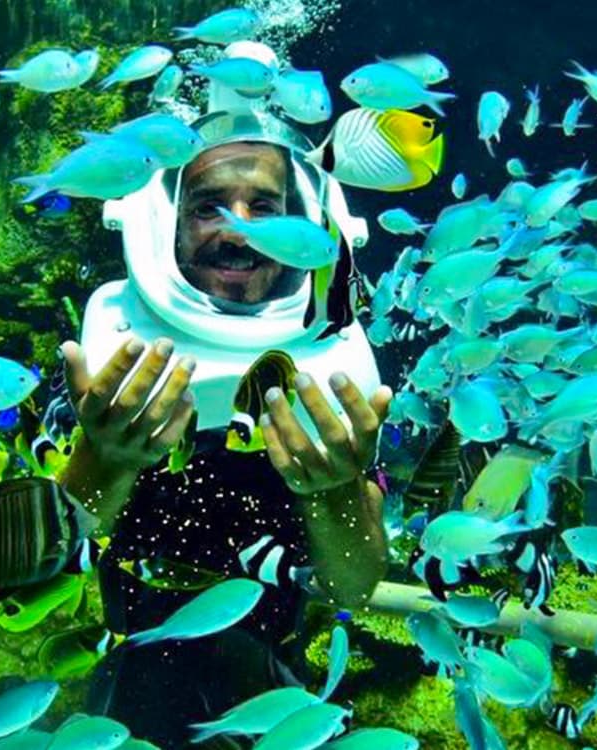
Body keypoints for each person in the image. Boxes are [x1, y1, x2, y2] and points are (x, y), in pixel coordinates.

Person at [56, 44, 391, 749]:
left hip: (272, 684)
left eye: (263, 206)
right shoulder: (115, 356)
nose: (238, 225)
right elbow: (59, 543)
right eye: (208, 205)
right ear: (165, 224)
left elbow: (354, 587)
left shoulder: (335, 362)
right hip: (134, 673)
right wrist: (105, 456)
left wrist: (336, 489)